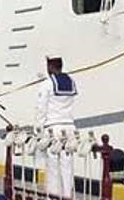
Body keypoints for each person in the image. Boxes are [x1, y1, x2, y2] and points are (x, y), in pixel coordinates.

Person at [36, 56, 77, 200]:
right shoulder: (71, 82)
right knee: (67, 165)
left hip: (53, 128)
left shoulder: (47, 84)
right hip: (69, 127)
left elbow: (41, 109)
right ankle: (68, 195)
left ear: (50, 67)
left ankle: (53, 197)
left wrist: (38, 129)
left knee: (53, 166)